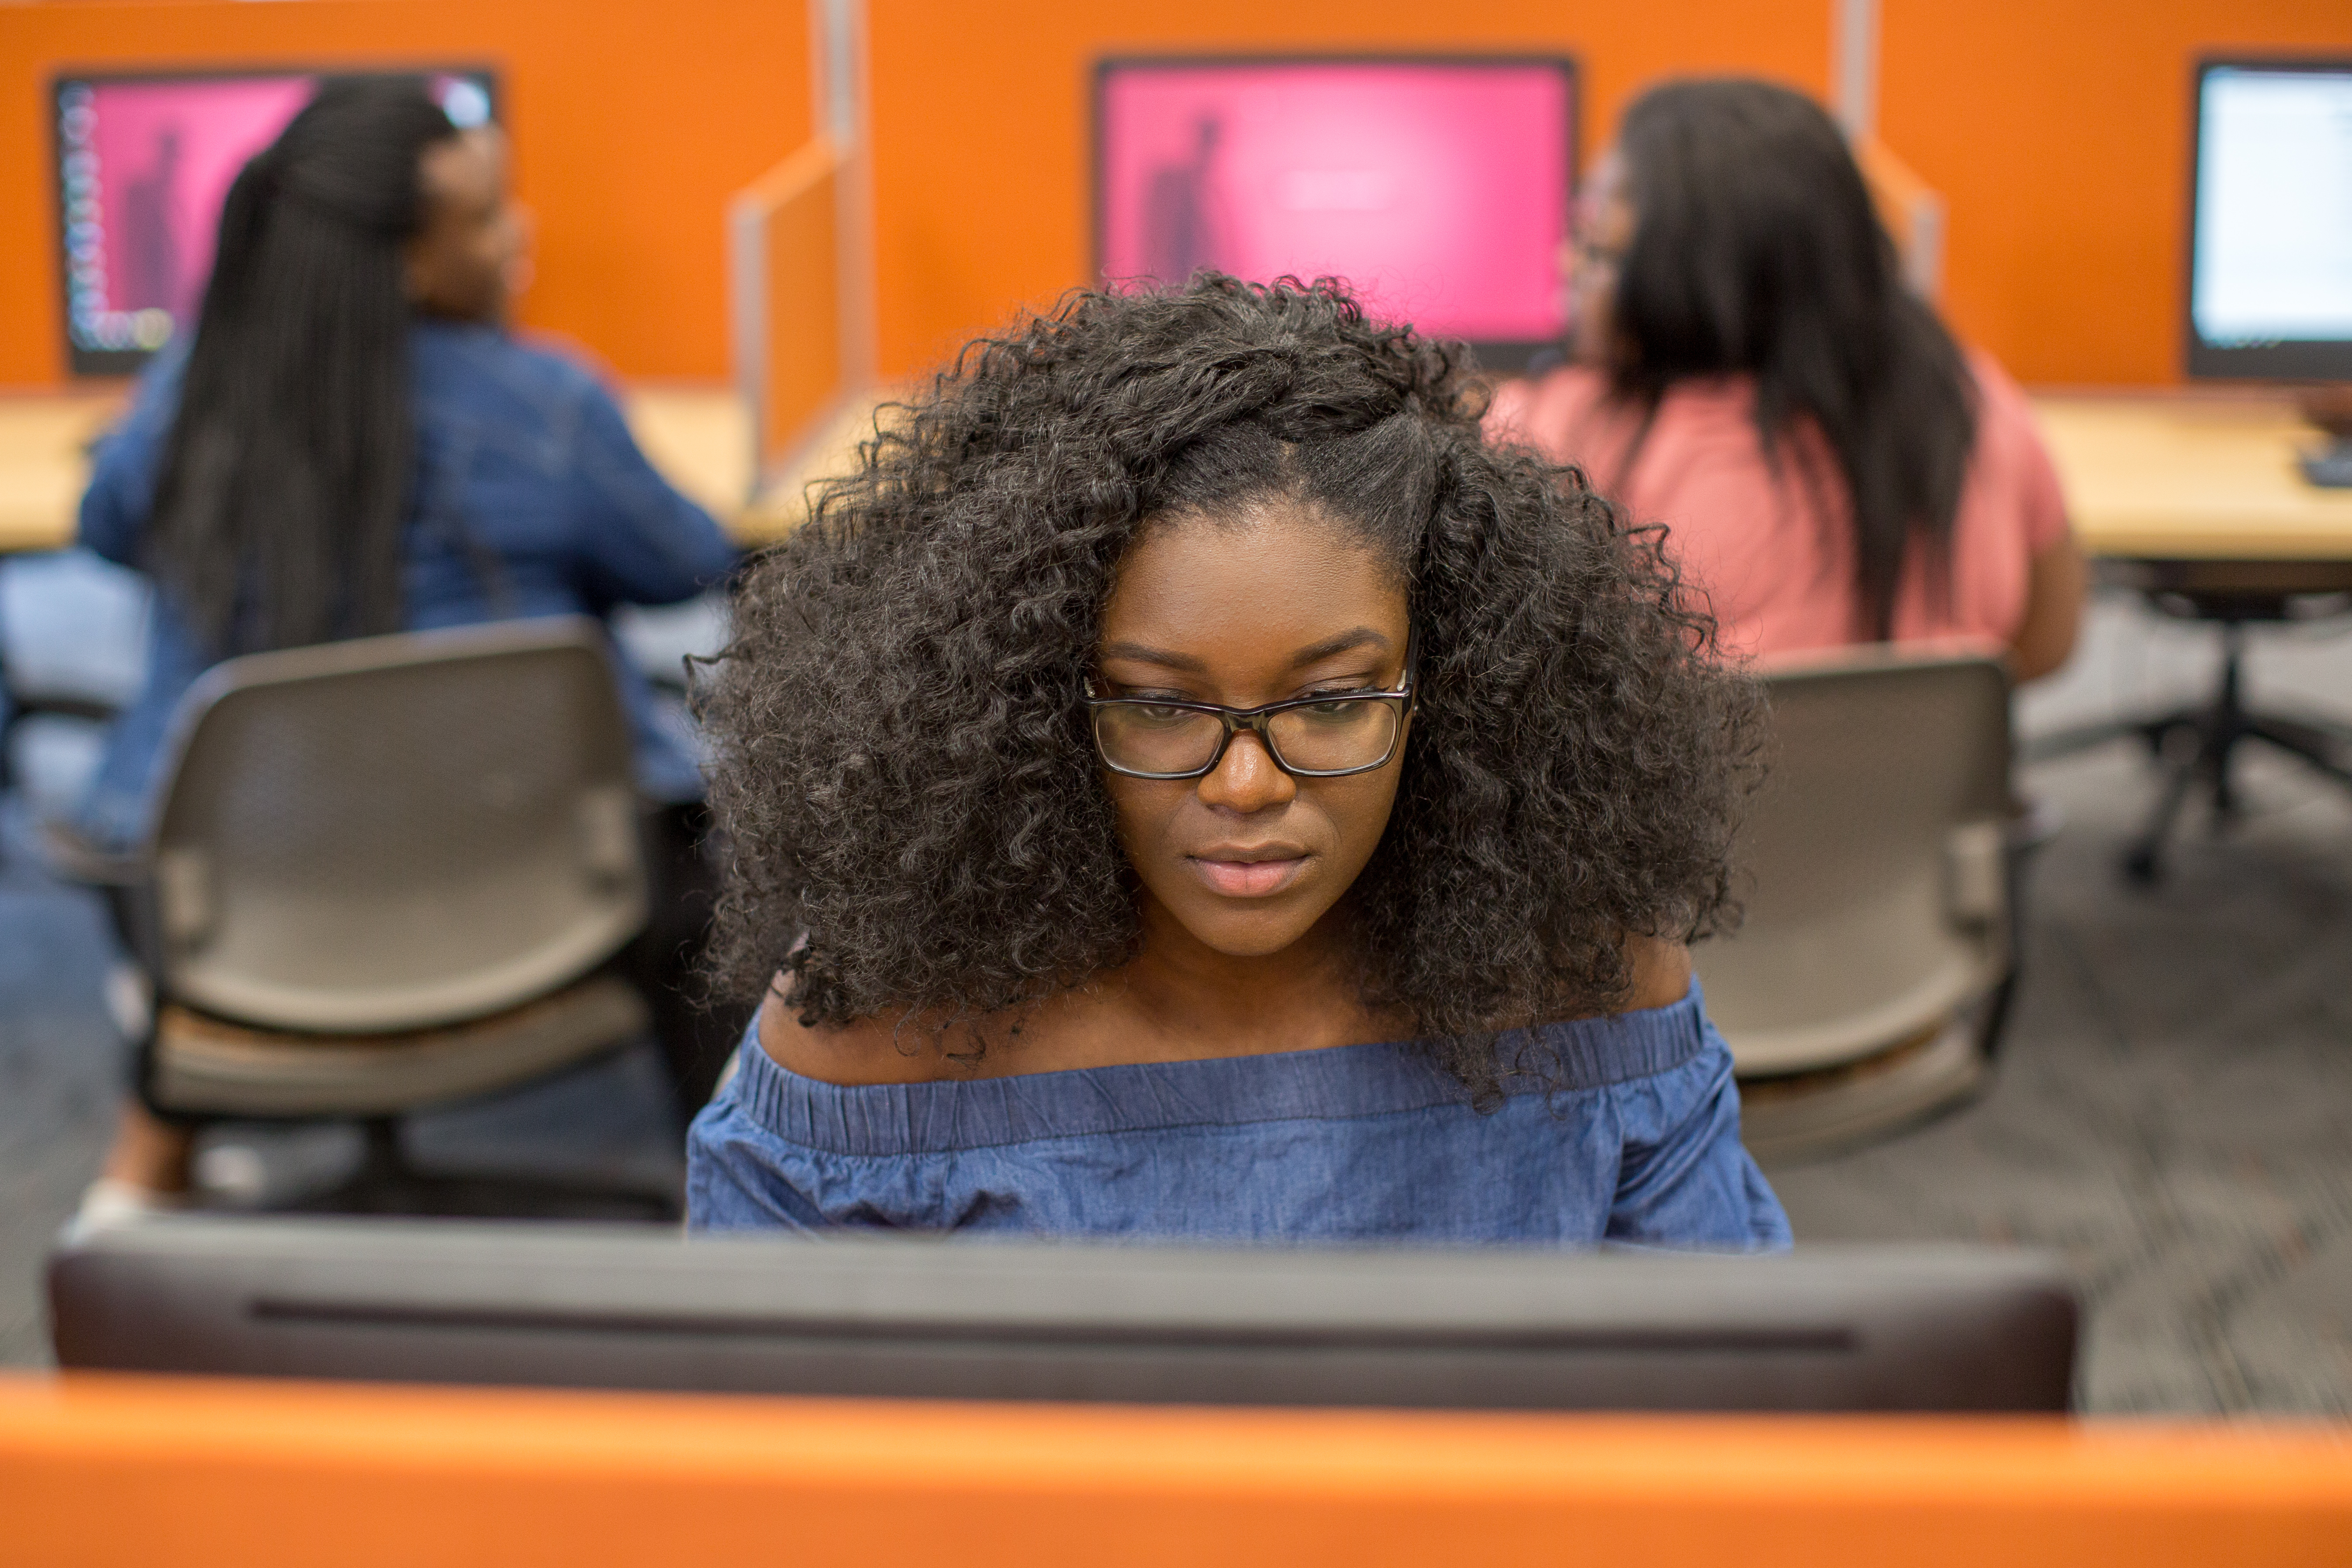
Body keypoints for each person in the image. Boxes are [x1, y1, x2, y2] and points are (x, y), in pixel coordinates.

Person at [684, 275, 1789, 1248]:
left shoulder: (1586, 973)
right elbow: (749, 1464)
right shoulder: (886, 1026)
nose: (1245, 786)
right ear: (1031, 707)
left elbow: (1722, 1424)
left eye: (1333, 701)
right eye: (1161, 705)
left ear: (1446, 691)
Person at [69, 77, 740, 1216]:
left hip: (250, 905)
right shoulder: (546, 405)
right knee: (702, 829)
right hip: (527, 896)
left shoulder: (196, 395)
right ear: (407, 265)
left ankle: (138, 1193)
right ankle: (743, 1188)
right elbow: (689, 559)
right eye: (483, 218)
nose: (516, 235)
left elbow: (108, 529)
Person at [1488, 79, 2085, 680]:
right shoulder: (1968, 401)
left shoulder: (1563, 431)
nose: (1565, 265)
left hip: (1697, 775)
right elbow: (2045, 644)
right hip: (1923, 774)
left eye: (1596, 251)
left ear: (1696, 284)